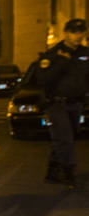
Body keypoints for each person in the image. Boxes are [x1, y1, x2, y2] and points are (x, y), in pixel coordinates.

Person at [36, 18, 88, 187]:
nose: (77, 36)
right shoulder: (53, 54)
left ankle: (52, 170)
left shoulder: (84, 53)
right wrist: (62, 63)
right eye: (74, 32)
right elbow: (43, 79)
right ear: (66, 33)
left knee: (65, 137)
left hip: (76, 103)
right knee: (65, 138)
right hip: (57, 103)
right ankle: (67, 171)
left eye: (81, 32)